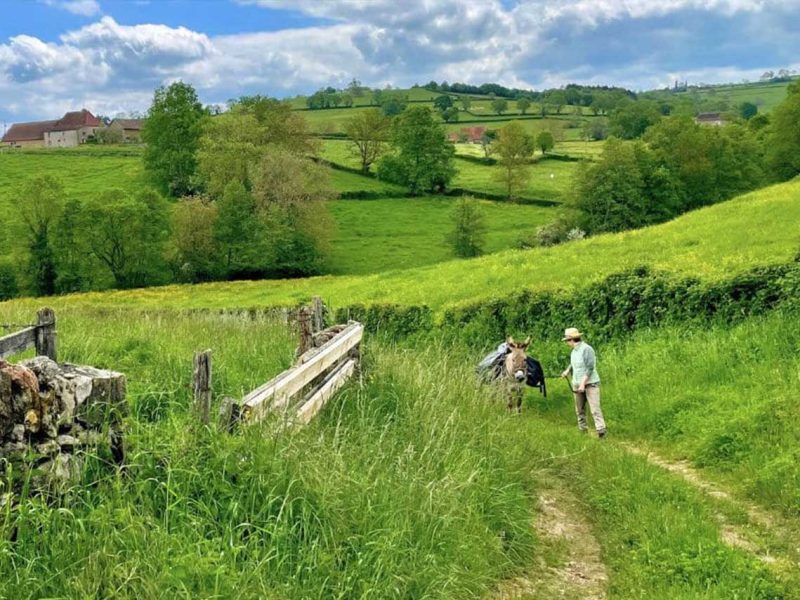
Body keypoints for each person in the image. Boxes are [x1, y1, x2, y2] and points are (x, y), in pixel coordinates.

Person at [560, 327, 606, 438]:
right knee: (579, 409)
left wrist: (583, 383)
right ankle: (583, 430)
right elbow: (575, 364)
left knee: (595, 409)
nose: (566, 343)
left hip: (590, 384)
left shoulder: (587, 349)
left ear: (571, 340)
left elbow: (590, 368)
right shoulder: (574, 352)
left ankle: (601, 432)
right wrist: (567, 371)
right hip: (577, 383)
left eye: (567, 340)